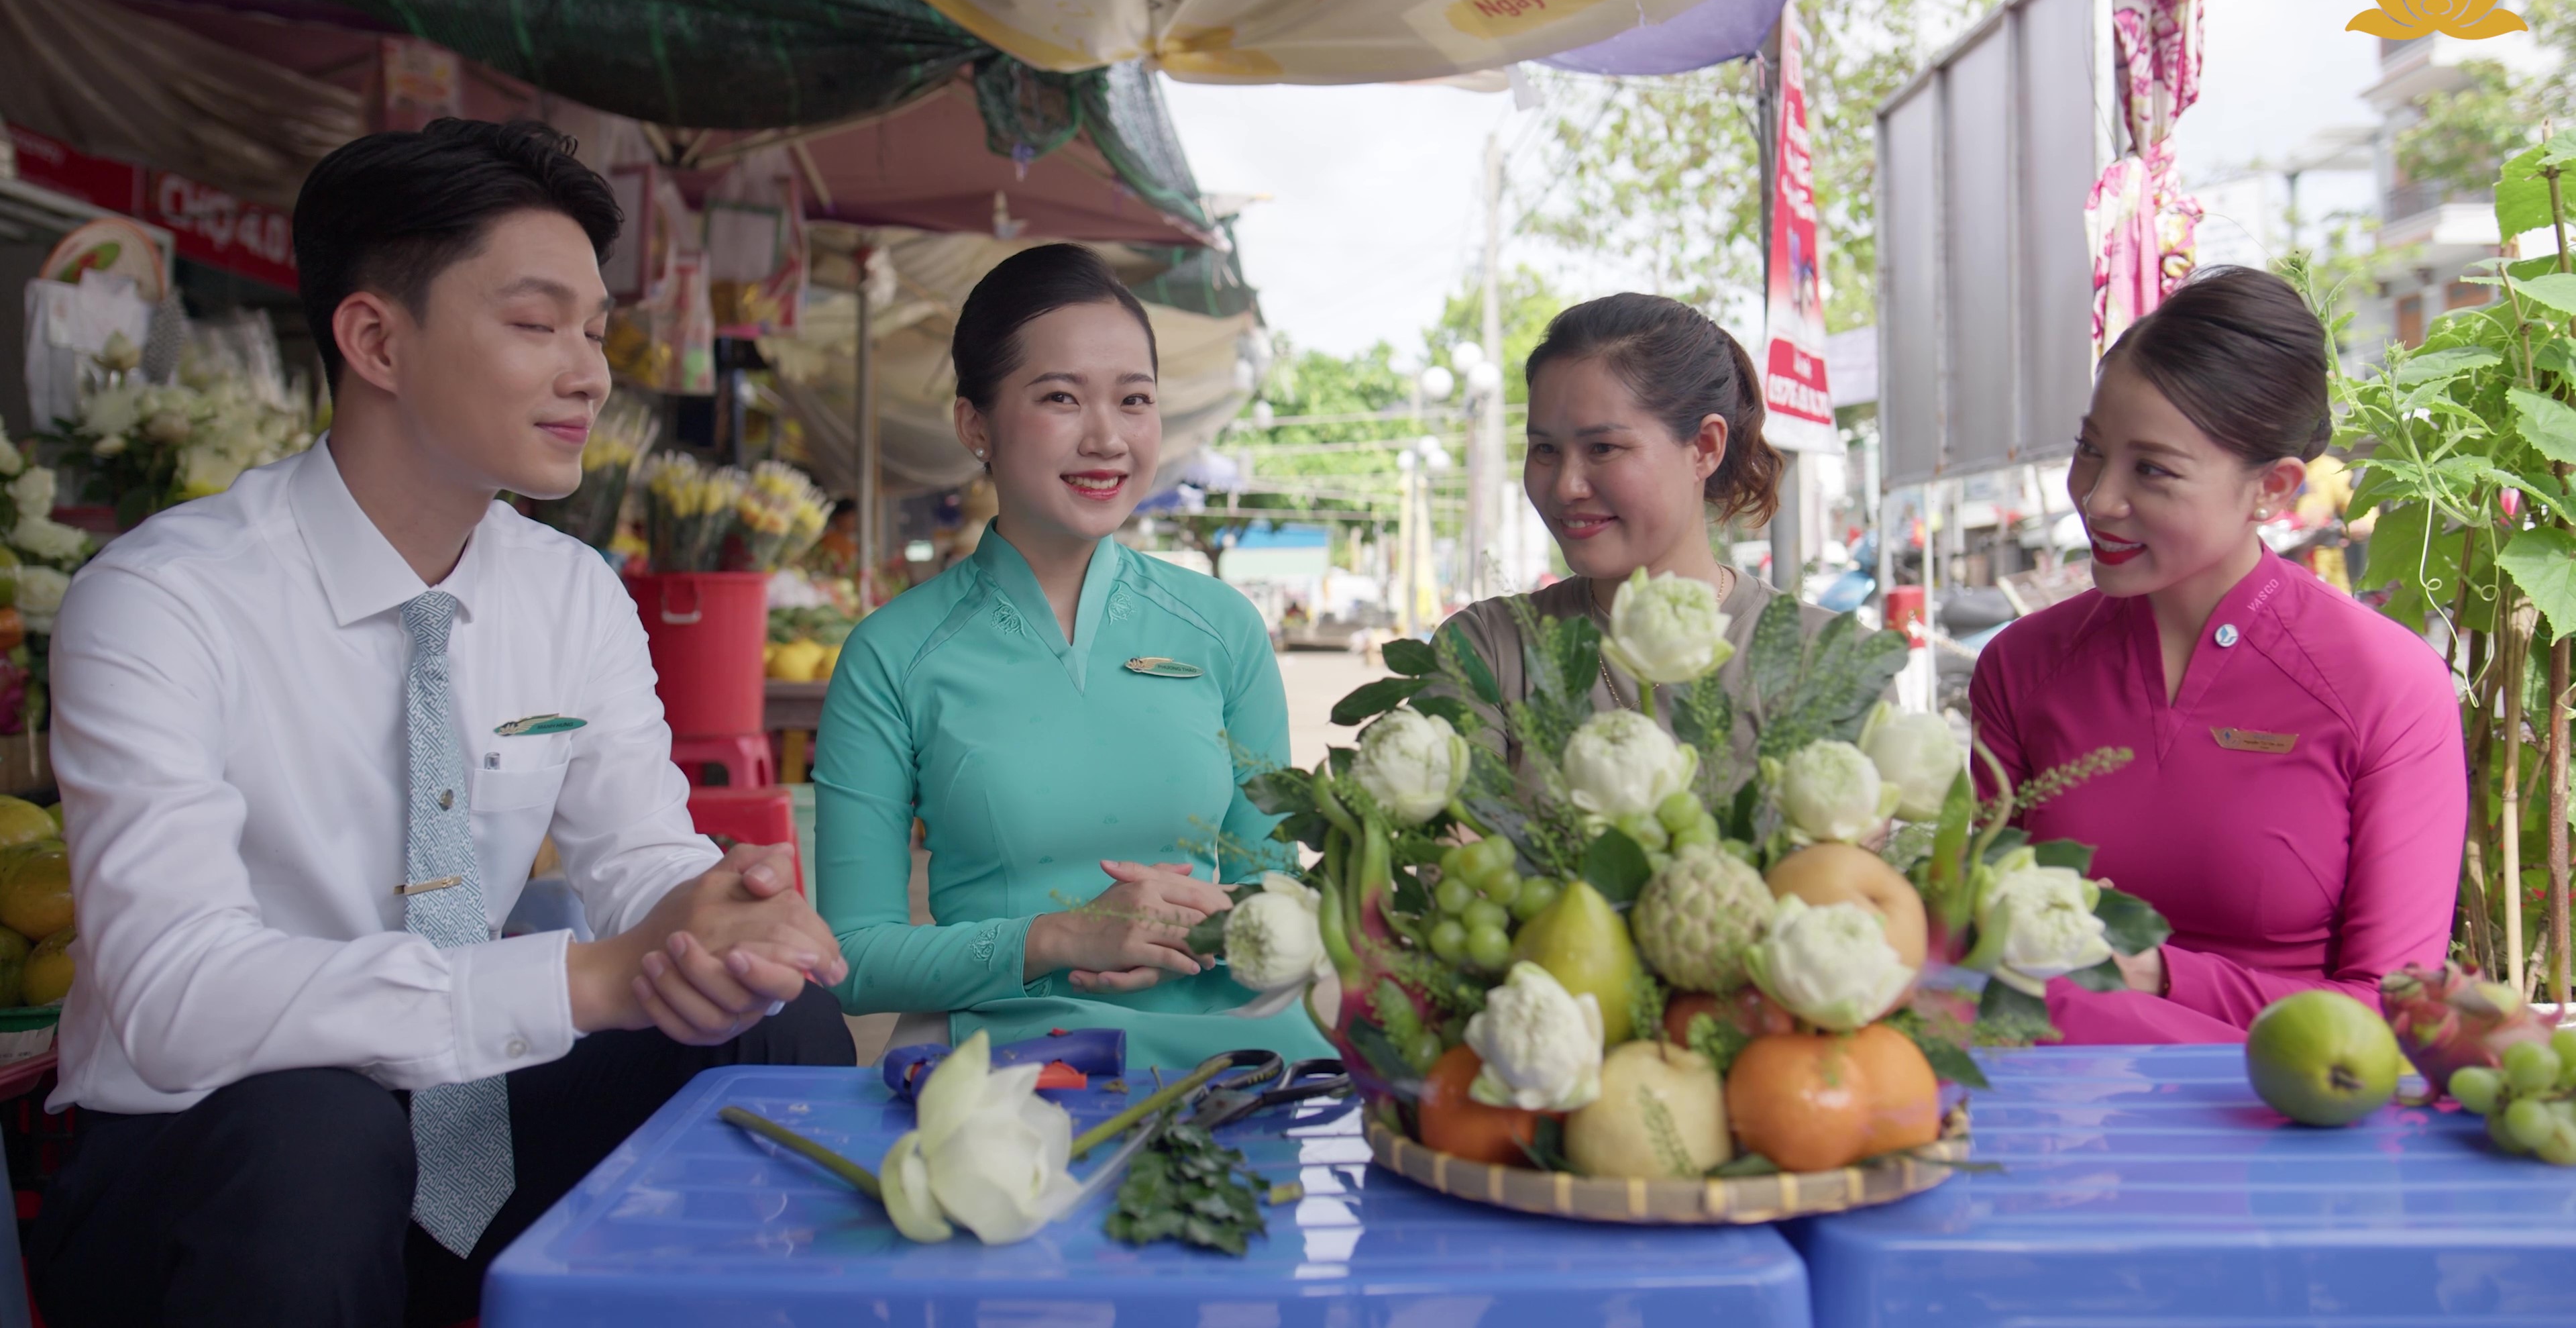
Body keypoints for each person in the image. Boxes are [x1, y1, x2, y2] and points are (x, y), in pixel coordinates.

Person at [30, 119, 857, 1328]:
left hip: (474, 1129)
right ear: (375, 339)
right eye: (535, 325)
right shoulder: (163, 600)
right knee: (317, 1127)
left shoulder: (571, 593)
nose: (590, 374)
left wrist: (721, 921)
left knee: (780, 1031)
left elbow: (641, 859)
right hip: (214, 1166)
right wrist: (583, 980)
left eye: (594, 331)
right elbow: (172, 994)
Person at [812, 244, 1329, 1073]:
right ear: (974, 424)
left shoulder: (1224, 627)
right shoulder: (890, 656)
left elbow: (1277, 893)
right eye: (1061, 397)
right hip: (1007, 1068)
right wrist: (1060, 937)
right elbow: (853, 957)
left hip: (1237, 1057)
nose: (1107, 438)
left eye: (1135, 400)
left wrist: (1224, 921)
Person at [1969, 266, 2465, 1044]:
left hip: (2291, 1104)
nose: (2098, 499)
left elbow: (2393, 1010)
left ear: (2273, 488)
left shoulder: (2387, 684)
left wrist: (2160, 974)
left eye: (2152, 470)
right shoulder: (2020, 666)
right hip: (2054, 1106)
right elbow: (1974, 944)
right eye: (2090, 450)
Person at [1442, 293, 1825, 766]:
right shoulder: (1489, 648)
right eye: (1545, 450)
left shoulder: (1824, 660)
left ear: (1705, 447)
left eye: (1602, 448)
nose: (1566, 486)